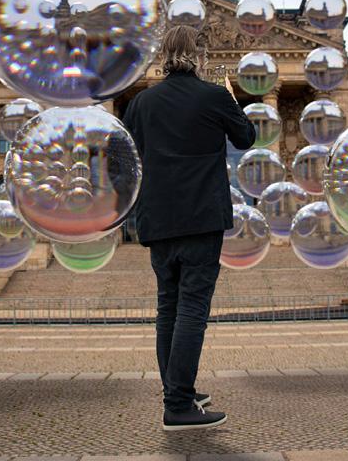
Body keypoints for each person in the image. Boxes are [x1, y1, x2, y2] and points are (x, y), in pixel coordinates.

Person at [122, 25, 256, 431]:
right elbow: (246, 137)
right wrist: (231, 98)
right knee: (193, 309)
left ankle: (179, 391)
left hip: (158, 220)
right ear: (200, 57)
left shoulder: (142, 103)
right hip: (201, 218)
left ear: (164, 55)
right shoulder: (215, 96)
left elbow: (123, 154)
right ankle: (178, 405)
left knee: (169, 308)